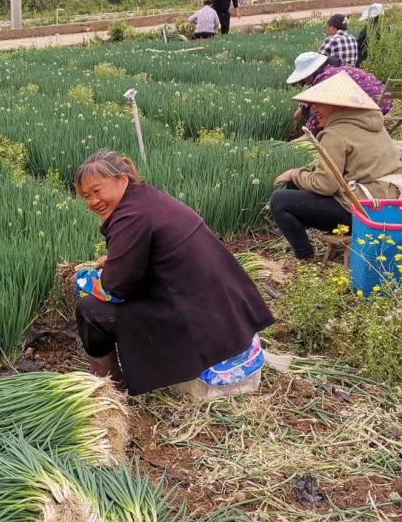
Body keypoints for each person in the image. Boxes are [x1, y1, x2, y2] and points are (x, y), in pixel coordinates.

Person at [73, 149, 274, 395]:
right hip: (220, 309)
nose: (92, 201)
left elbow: (117, 286)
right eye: (85, 196)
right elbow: (152, 255)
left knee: (89, 311)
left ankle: (110, 387)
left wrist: (101, 275)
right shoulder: (146, 197)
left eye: (97, 191)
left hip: (195, 319)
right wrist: (118, 261)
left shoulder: (130, 216)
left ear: (122, 181)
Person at [270, 71, 402, 260]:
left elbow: (326, 185)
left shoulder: (335, 134)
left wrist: (295, 174)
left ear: (337, 106)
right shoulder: (374, 124)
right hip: (389, 207)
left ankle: (304, 256)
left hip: (362, 214)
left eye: (319, 104)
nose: (314, 110)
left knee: (279, 201)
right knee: (295, 188)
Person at [286, 51, 391, 137]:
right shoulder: (331, 72)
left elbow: (317, 114)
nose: (304, 80)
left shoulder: (325, 79)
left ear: (310, 73)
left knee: (328, 113)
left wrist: (306, 135)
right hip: (383, 101)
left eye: (304, 77)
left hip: (369, 106)